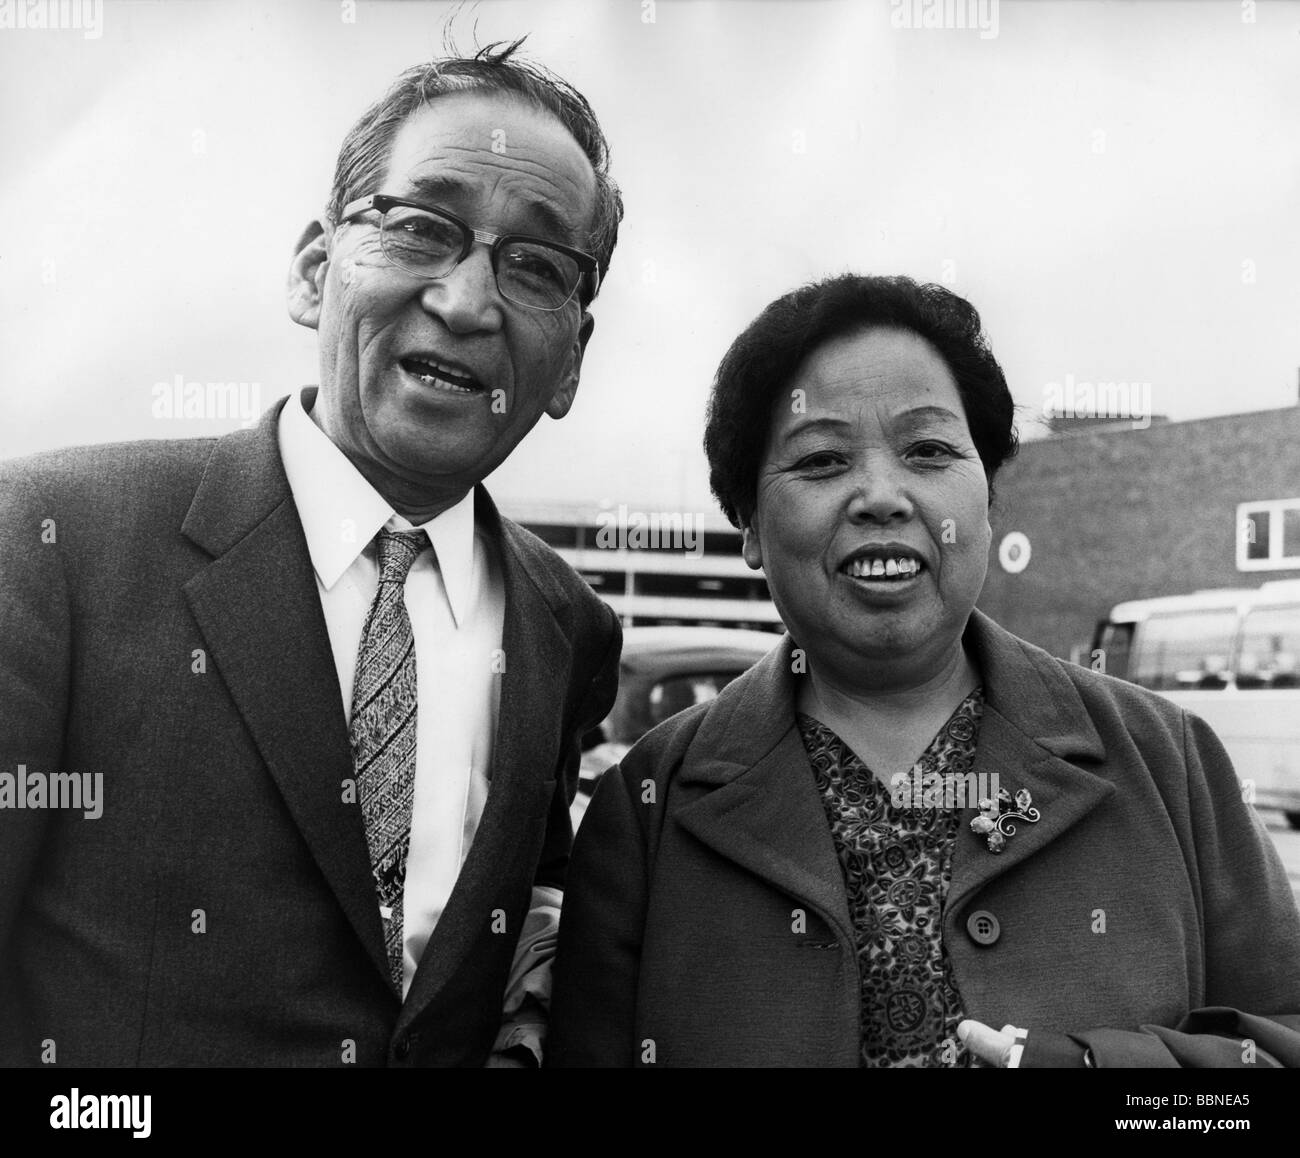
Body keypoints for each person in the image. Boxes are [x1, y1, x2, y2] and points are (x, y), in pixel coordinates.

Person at [0, 40, 623, 1067]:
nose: (468, 302)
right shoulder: (52, 545)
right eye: (422, 227)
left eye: (536, 266)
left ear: (572, 358)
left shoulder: (566, 628)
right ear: (312, 270)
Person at [548, 273, 1300, 1068]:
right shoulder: (650, 808)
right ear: (751, 530)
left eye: (930, 450)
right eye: (822, 459)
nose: (882, 495)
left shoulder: (1169, 763)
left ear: (987, 499)